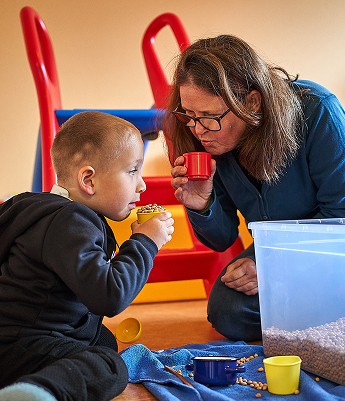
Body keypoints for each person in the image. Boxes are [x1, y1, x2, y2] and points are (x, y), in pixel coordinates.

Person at [164, 34, 345, 342]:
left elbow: (339, 217)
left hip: (330, 249)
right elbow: (222, 240)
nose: (197, 130)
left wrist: (277, 267)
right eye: (189, 116)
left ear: (251, 101)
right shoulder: (208, 140)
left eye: (209, 117)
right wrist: (201, 205)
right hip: (273, 252)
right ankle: (323, 315)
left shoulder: (317, 110)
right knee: (227, 311)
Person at [0, 111, 174, 401]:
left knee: (103, 341)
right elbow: (109, 295)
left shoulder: (45, 212)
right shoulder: (70, 222)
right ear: (88, 180)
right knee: (110, 368)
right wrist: (145, 242)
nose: (142, 184)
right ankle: (35, 393)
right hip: (20, 344)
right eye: (132, 171)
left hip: (23, 336)